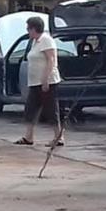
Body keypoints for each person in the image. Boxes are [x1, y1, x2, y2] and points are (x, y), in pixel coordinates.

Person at [15, 16, 64, 147]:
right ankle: (28, 136)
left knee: (51, 109)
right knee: (30, 109)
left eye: (28, 28)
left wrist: (45, 79)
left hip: (47, 82)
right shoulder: (34, 42)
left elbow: (51, 60)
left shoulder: (46, 40)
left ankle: (58, 137)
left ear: (34, 28)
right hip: (34, 82)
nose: (27, 31)